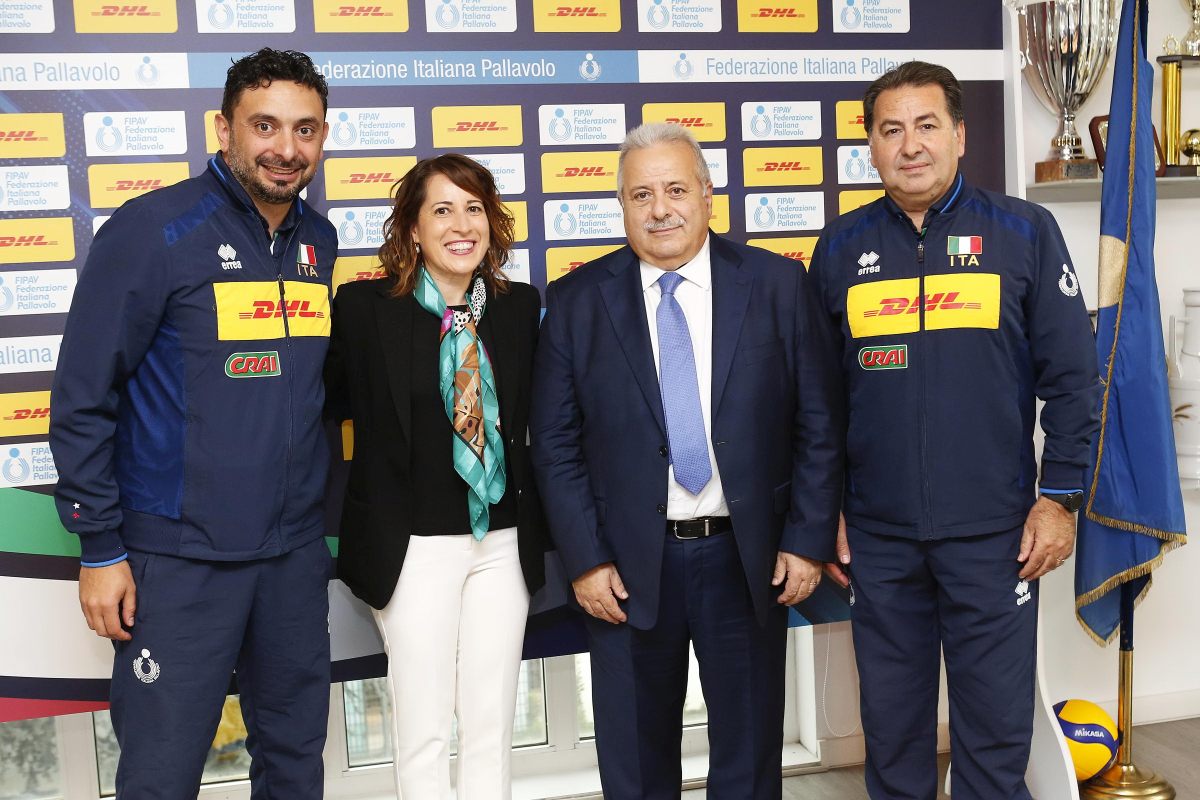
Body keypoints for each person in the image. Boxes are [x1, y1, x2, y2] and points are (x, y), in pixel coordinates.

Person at [48, 48, 337, 798]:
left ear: (322, 136)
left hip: (292, 557)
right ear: (223, 129)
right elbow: (82, 396)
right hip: (179, 563)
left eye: (305, 129)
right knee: (161, 776)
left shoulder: (318, 241)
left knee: (296, 763)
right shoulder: (153, 229)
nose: (286, 148)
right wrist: (100, 547)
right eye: (265, 126)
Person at [809, 61, 1100, 799]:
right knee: (893, 733)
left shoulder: (1025, 233)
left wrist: (1059, 500)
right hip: (878, 539)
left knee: (996, 735)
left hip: (996, 536)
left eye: (927, 125)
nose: (910, 145)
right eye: (891, 130)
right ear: (871, 146)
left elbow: (1074, 382)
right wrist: (826, 510)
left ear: (960, 136)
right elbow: (819, 402)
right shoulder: (838, 248)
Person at [530, 122, 843, 799]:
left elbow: (819, 422)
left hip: (747, 560)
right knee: (636, 765)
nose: (660, 209)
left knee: (750, 758)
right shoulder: (577, 301)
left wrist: (807, 540)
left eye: (675, 189)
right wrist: (585, 560)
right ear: (621, 206)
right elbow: (554, 444)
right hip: (625, 571)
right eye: (641, 194)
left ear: (707, 195)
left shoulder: (777, 284)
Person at [324, 154, 549, 799]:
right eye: (442, 210)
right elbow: (328, 403)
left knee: (490, 724)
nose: (461, 225)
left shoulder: (518, 307)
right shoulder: (364, 309)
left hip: (501, 542)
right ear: (413, 229)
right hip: (412, 546)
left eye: (474, 209)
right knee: (423, 730)